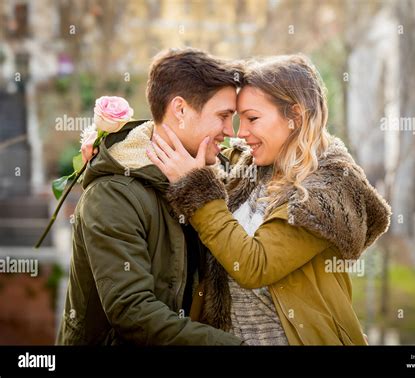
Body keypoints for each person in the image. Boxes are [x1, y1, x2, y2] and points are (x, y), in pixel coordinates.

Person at [147, 54, 391, 345]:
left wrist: (198, 189)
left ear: (295, 117)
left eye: (252, 118)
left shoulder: (327, 191)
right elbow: (188, 135)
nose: (240, 132)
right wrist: (109, 141)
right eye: (237, 119)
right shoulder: (252, 166)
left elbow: (254, 266)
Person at [57, 48, 244, 345]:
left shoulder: (217, 175)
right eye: (223, 116)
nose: (229, 131)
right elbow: (132, 311)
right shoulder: (113, 194)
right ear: (180, 110)